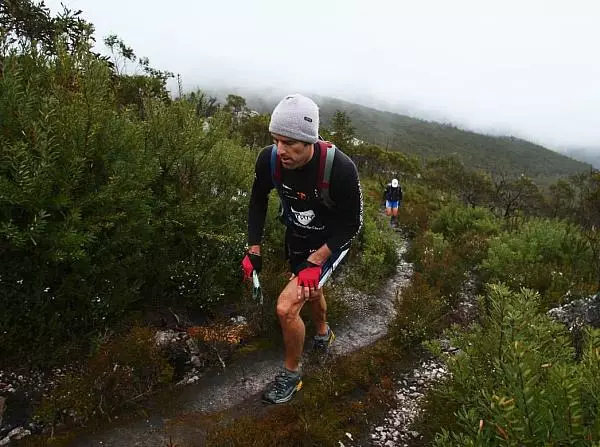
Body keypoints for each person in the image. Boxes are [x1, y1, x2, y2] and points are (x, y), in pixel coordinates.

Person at [241, 94, 363, 404]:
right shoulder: (269, 160)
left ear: (310, 140)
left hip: (330, 244)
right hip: (297, 236)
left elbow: (351, 225)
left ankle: (292, 375)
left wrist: (318, 259)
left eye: (290, 142)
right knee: (312, 290)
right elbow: (257, 201)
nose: (280, 149)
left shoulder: (340, 169)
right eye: (276, 139)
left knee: (286, 307)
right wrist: (253, 247)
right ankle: (323, 334)